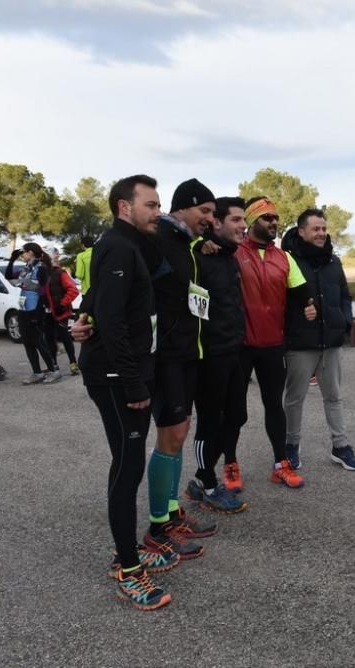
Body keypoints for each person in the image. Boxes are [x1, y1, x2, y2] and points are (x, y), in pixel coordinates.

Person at [79, 174, 179, 610]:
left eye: (158, 205)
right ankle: (127, 567)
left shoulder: (131, 245)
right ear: (124, 207)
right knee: (127, 464)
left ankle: (131, 553)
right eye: (151, 205)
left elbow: (97, 297)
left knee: (130, 462)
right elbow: (112, 317)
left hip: (132, 370)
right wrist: (134, 380)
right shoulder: (118, 246)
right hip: (117, 377)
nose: (159, 212)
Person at [139, 178, 217, 560]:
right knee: (169, 436)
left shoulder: (186, 245)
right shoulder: (157, 241)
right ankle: (157, 528)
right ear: (183, 206)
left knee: (180, 433)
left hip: (187, 352)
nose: (210, 219)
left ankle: (170, 513)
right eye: (205, 211)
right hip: (165, 355)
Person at [235, 196, 314, 488]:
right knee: (235, 410)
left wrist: (308, 306)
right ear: (252, 220)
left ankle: (281, 463)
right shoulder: (233, 252)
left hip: (271, 344)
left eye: (275, 218)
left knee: (274, 406)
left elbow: (301, 293)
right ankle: (230, 464)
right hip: (240, 346)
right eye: (267, 217)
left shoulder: (284, 257)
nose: (274, 222)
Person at [281, 209, 355, 471]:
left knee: (334, 397)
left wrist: (345, 322)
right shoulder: (287, 261)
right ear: (301, 231)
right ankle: (291, 445)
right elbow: (281, 301)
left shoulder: (334, 262)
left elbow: (344, 296)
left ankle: (341, 446)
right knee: (295, 398)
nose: (321, 233)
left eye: (324, 228)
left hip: (331, 341)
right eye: (315, 229)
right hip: (300, 343)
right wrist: (297, 317)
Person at [184, 197, 249, 513]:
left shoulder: (228, 256)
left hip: (235, 350)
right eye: (236, 219)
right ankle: (205, 481)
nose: (243, 225)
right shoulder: (198, 255)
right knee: (209, 422)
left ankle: (201, 477)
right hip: (208, 355)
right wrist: (200, 243)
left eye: (243, 219)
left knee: (237, 417)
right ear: (217, 224)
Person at [8, 242, 60, 384]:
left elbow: (43, 291)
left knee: (38, 341)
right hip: (23, 307)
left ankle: (54, 370)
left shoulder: (41, 268)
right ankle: (36, 372)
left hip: (35, 309)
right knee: (27, 342)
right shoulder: (26, 268)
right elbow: (9, 277)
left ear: (30, 252)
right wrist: (12, 260)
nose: (22, 254)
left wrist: (41, 313)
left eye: (23, 252)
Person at [44, 258, 81, 375]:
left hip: (60, 311)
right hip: (46, 312)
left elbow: (73, 290)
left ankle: (73, 363)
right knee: (49, 339)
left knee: (65, 337)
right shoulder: (39, 274)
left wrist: (62, 303)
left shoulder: (59, 273)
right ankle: (54, 365)